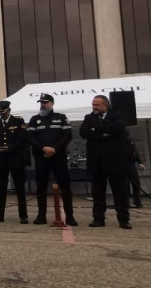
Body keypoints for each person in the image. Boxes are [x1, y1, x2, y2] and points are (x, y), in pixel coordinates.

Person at [80, 95, 132, 229]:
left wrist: (96, 128)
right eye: (93, 104)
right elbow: (83, 132)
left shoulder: (118, 115)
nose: (94, 107)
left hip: (115, 160)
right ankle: (98, 218)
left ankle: (123, 219)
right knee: (97, 191)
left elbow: (118, 128)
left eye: (97, 105)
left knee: (119, 191)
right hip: (97, 161)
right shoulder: (89, 117)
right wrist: (103, 134)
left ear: (106, 105)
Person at [27, 93, 77, 226]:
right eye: (41, 102)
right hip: (41, 158)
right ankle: (41, 216)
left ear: (52, 103)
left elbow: (67, 136)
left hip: (58, 158)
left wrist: (54, 149)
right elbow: (30, 138)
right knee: (41, 187)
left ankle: (70, 216)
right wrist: (43, 148)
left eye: (45, 102)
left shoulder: (61, 118)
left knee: (65, 186)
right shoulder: (34, 119)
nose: (42, 105)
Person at [0, 100, 30, 223]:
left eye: (4, 112)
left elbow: (23, 140)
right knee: (1, 188)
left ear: (9, 111)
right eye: (0, 113)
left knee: (19, 188)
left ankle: (23, 215)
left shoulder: (18, 121)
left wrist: (10, 147)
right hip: (1, 160)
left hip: (15, 158)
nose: (2, 115)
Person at [126, 140, 144, 208]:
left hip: (132, 165)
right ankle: (126, 203)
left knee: (136, 183)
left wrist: (140, 162)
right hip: (124, 166)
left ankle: (137, 202)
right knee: (125, 185)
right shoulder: (119, 142)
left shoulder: (131, 142)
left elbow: (136, 153)